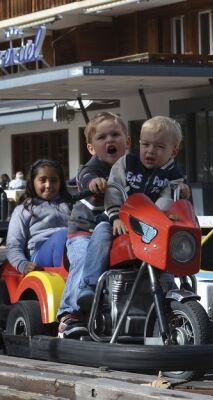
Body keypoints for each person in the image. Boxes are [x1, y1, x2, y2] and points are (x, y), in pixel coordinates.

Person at [56, 112, 131, 339]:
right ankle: (69, 314)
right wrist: (94, 183)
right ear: (91, 148)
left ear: (127, 142)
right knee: (83, 258)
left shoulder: (133, 169)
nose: (110, 140)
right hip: (85, 232)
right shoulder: (92, 169)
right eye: (102, 137)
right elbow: (86, 178)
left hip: (121, 230)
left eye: (116, 134)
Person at [105, 115, 189, 236]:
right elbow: (113, 190)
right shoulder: (127, 163)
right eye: (145, 144)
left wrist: (181, 191)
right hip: (119, 221)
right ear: (139, 143)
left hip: (155, 228)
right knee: (102, 234)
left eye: (159, 147)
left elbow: (169, 202)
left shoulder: (173, 175)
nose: (150, 151)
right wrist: (115, 218)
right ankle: (90, 256)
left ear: (173, 152)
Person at [3, 160, 71, 275]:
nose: (48, 185)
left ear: (61, 183)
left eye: (54, 180)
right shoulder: (23, 210)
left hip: (72, 248)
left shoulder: (70, 205)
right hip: (39, 255)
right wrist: (23, 264)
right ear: (32, 182)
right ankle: (69, 280)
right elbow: (13, 245)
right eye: (42, 180)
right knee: (63, 234)